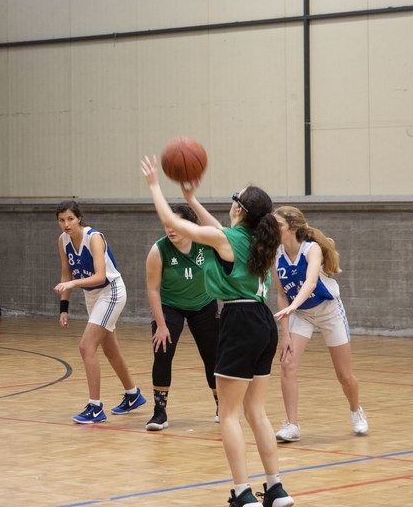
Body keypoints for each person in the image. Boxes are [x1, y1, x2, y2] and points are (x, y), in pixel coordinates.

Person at [140, 156, 294, 507]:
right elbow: (218, 231)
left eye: (234, 198)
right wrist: (192, 199)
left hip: (239, 321)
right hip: (263, 321)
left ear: (238, 209)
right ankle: (275, 488)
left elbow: (172, 221)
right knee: (257, 412)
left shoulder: (228, 238)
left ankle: (242, 492)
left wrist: (154, 186)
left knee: (228, 414)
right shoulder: (257, 238)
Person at [272, 206, 368, 442]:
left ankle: (356, 410)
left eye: (278, 224)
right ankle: (292, 425)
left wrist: (293, 306)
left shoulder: (311, 249)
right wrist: (285, 333)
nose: (273, 228)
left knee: (344, 375)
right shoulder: (277, 253)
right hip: (301, 315)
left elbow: (311, 282)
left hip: (329, 311)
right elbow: (281, 294)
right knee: (287, 365)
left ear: (292, 228)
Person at [54, 200, 146, 424]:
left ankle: (95, 407)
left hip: (110, 291)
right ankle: (133, 394)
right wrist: (64, 308)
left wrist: (73, 284)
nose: (66, 224)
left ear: (79, 218)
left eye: (70, 219)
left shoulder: (94, 238)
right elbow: (66, 273)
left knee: (86, 346)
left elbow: (100, 276)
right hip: (92, 295)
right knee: (110, 350)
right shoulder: (63, 240)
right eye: (61, 220)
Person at [145, 203, 219, 431]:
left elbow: (221, 233)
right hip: (170, 306)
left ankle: (222, 405)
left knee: (213, 357)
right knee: (162, 353)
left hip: (204, 304)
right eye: (167, 224)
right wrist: (161, 325)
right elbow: (153, 289)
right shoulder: (159, 250)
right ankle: (159, 412)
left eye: (175, 224)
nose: (170, 229)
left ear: (189, 224)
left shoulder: (205, 242)